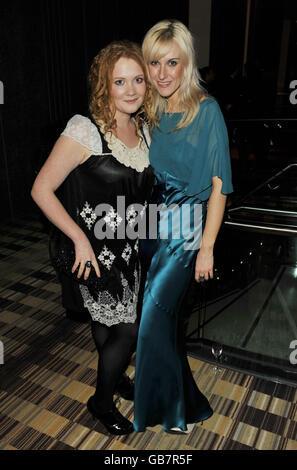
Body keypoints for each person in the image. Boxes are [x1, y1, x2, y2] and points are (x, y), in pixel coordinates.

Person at [31, 40, 154, 435]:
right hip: (92, 252)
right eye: (120, 81)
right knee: (127, 328)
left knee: (109, 324)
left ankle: (114, 376)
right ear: (105, 85)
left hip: (128, 246)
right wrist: (79, 240)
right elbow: (41, 190)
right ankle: (101, 401)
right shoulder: (85, 129)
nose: (132, 89)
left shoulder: (143, 127)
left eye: (138, 79)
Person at [133, 19, 233, 433]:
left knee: (152, 316)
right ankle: (183, 401)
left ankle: (170, 408)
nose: (162, 74)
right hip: (151, 223)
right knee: (166, 320)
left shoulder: (206, 111)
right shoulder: (152, 110)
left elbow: (220, 186)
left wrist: (207, 246)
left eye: (172, 63)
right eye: (154, 63)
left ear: (187, 63)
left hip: (187, 227)